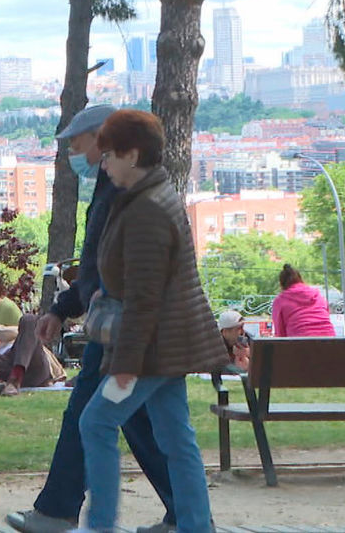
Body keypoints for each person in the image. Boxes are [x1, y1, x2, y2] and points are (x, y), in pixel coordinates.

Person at [7, 104, 178, 533]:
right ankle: (183, 514)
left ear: (103, 141)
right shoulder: (110, 184)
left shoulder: (119, 189)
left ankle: (61, 511)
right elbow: (97, 260)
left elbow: (108, 258)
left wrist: (73, 307)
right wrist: (64, 310)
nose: (75, 154)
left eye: (79, 143)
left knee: (92, 417)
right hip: (118, 320)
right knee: (137, 424)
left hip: (120, 323)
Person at [77, 109, 229, 533]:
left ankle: (101, 523)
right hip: (168, 342)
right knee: (176, 438)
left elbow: (145, 299)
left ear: (133, 154)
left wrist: (125, 365)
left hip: (153, 346)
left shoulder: (146, 209)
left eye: (109, 155)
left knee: (96, 422)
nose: (102, 163)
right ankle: (196, 525)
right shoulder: (153, 196)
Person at [272, 264, 336, 337]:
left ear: (281, 284)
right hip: (330, 340)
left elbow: (280, 334)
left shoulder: (280, 301)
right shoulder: (318, 295)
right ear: (300, 279)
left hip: (300, 343)